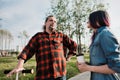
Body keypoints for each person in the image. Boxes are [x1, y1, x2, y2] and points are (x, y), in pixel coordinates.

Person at [7, 15, 77, 80]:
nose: (53, 22)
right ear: (45, 23)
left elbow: (73, 45)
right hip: (43, 76)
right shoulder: (38, 37)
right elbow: (27, 50)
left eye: (55, 21)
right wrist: (20, 65)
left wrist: (69, 57)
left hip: (60, 75)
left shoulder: (61, 36)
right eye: (51, 20)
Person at [77, 10, 120, 80]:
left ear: (97, 20)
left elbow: (116, 66)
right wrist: (86, 65)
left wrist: (88, 68)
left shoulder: (105, 34)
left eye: (89, 19)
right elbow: (101, 62)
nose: (87, 21)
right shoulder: (97, 35)